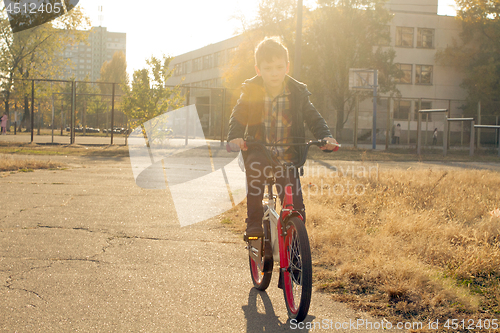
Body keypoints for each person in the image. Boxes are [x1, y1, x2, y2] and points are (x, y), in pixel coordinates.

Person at [227, 37, 338, 238]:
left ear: (287, 67)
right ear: (258, 70)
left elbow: (313, 117)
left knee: (296, 206)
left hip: (288, 156)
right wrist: (235, 137)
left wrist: (325, 137)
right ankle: (253, 223)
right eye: (268, 68)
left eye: (279, 67)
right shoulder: (251, 91)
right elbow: (238, 114)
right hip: (259, 151)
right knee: (256, 175)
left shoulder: (297, 92)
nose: (274, 73)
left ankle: (295, 247)